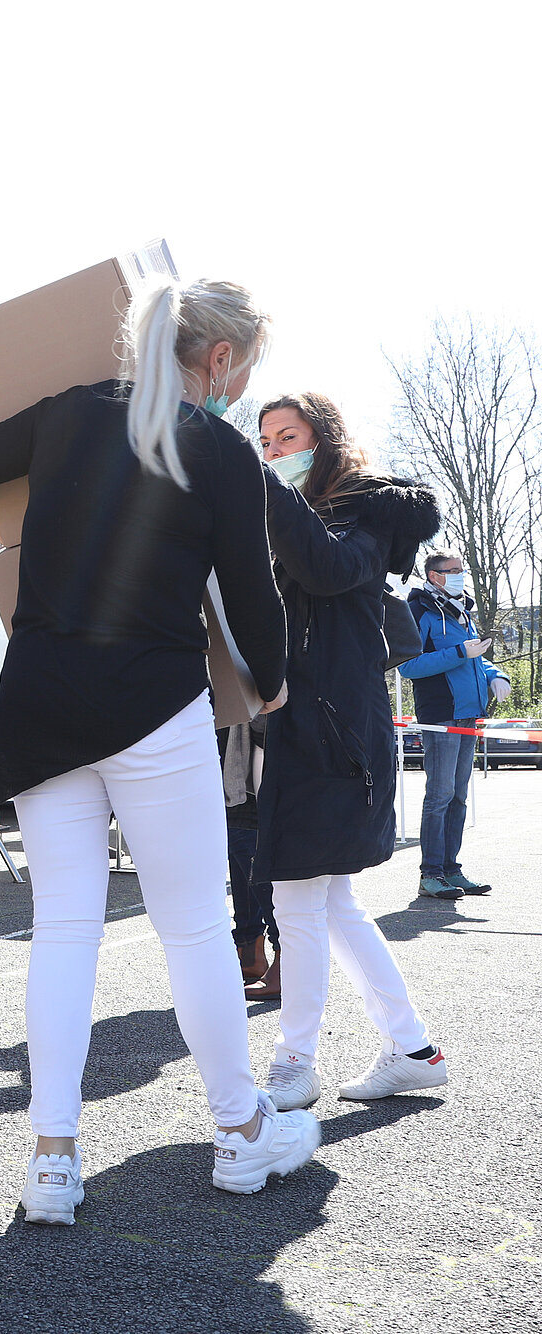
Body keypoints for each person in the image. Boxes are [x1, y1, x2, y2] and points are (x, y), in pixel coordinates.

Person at [0, 277, 318, 1225]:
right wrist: (271, 678)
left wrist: (17, 515)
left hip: (44, 704)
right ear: (219, 361)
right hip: (153, 705)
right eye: (245, 369)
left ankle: (53, 1161)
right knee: (191, 929)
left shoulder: (67, 415)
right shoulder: (217, 445)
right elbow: (250, 590)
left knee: (64, 931)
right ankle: (239, 1132)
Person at [253, 391, 448, 1109]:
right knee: (330, 900)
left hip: (337, 730)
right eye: (266, 441)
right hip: (314, 721)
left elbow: (330, 571)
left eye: (287, 436)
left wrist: (269, 490)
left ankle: (294, 1064)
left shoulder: (367, 508)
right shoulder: (294, 511)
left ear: (324, 438)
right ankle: (412, 1048)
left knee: (300, 895)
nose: (274, 450)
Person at [399, 546, 508, 899]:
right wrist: (461, 652)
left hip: (468, 715)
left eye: (461, 569)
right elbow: (408, 666)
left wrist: (495, 674)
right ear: (434, 576)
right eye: (453, 569)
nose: (461, 574)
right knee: (440, 795)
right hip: (441, 716)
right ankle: (430, 874)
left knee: (458, 796)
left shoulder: (462, 610)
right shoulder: (418, 610)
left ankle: (450, 869)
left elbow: (475, 661)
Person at [221, 719, 281, 999]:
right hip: (233, 749)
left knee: (247, 842)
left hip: (257, 754)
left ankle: (285, 957)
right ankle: (249, 951)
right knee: (237, 843)